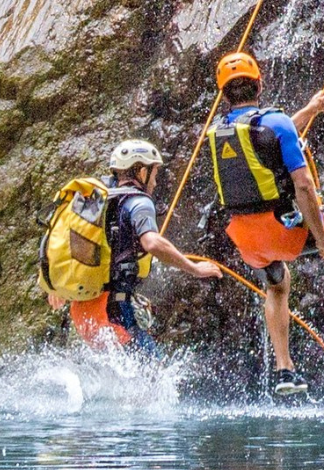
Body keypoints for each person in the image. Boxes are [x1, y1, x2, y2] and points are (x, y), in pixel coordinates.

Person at [207, 52, 324, 395]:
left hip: (246, 238)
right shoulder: (275, 123)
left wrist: (310, 110)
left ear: (224, 95)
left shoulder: (218, 131)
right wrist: (320, 238)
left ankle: (284, 370)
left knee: (277, 285)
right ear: (259, 84)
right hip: (284, 229)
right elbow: (302, 184)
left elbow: (268, 138)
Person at [48, 140, 221, 355]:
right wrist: (195, 269)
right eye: (155, 173)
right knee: (155, 373)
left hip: (83, 312)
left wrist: (59, 286)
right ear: (141, 171)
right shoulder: (139, 202)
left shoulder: (99, 200)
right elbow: (153, 242)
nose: (156, 182)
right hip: (112, 311)